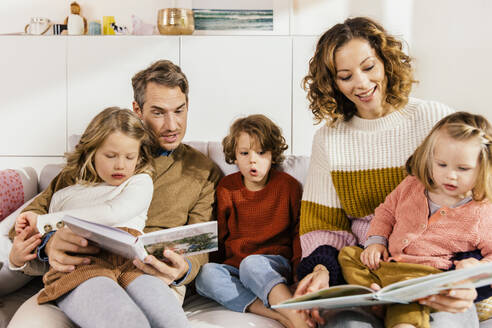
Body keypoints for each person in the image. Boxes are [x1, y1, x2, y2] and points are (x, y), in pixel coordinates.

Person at [293, 17, 480, 328]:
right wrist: (321, 272)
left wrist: (468, 272)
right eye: (345, 76)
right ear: (332, 82)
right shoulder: (329, 140)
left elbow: (476, 203)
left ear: (385, 62)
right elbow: (322, 225)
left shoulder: (433, 119)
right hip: (366, 277)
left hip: (432, 275)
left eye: (369, 67)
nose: (362, 84)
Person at [7, 60, 222, 328]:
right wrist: (49, 244)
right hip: (81, 270)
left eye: (179, 111)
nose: (172, 124)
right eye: (158, 112)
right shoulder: (99, 154)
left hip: (149, 276)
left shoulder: (201, 171)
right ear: (137, 110)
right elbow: (30, 220)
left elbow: (201, 243)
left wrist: (183, 268)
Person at [10, 107, 192, 328]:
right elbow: (30, 235)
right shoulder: (64, 192)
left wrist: (45, 222)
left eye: (129, 157)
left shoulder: (140, 181)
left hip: (134, 264)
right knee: (128, 322)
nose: (120, 165)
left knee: (172, 322)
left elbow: (113, 212)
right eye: (110, 156)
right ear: (91, 151)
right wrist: (31, 241)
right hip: (83, 265)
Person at [338, 111, 492, 328]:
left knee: (408, 300)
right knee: (348, 255)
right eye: (442, 165)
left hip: (426, 275)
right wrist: (376, 242)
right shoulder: (412, 185)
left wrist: (475, 266)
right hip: (388, 265)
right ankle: (374, 294)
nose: (450, 175)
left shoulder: (482, 211)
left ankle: (402, 317)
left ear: (483, 168)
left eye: (463, 169)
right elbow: (386, 212)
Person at [195, 114, 305, 328]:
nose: (252, 160)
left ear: (273, 155)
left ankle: (292, 311)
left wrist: (298, 274)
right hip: (237, 267)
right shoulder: (227, 187)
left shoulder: (288, 186)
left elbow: (297, 234)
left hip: (272, 265)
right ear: (235, 157)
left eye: (261, 153)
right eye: (244, 153)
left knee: (251, 264)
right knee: (205, 275)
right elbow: (220, 235)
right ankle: (278, 315)